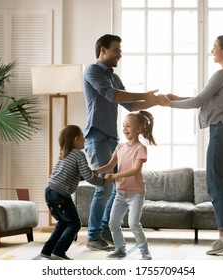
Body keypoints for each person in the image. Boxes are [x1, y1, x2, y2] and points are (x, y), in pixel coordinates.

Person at [160, 34, 223, 255]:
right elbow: (207, 99)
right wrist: (177, 98)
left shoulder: (221, 74)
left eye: (215, 47)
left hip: (221, 132)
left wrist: (169, 104)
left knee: (214, 186)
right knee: (222, 182)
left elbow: (198, 102)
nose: (212, 51)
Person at [83, 34, 161, 250]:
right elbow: (112, 96)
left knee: (116, 188)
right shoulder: (92, 70)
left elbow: (130, 105)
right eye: (116, 50)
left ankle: (105, 228)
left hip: (112, 137)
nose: (119, 54)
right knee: (104, 189)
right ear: (103, 51)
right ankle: (93, 236)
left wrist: (154, 101)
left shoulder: (114, 77)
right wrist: (144, 93)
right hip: (97, 135)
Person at [40, 125, 111, 260]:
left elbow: (76, 175)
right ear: (76, 139)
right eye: (83, 136)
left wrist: (92, 172)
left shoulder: (63, 155)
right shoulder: (79, 154)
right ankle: (59, 251)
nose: (84, 139)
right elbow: (89, 178)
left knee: (62, 222)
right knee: (75, 224)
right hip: (60, 194)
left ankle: (47, 250)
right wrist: (104, 182)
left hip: (50, 192)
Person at [94, 110, 156, 260]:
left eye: (128, 126)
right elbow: (110, 165)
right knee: (113, 223)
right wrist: (97, 170)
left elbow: (135, 170)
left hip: (136, 193)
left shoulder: (141, 148)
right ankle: (120, 249)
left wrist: (115, 176)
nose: (124, 129)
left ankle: (144, 251)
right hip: (121, 192)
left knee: (133, 223)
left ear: (139, 129)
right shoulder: (120, 147)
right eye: (123, 126)